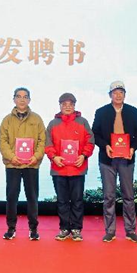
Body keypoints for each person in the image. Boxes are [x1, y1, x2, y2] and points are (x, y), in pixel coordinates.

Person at [91, 80, 137, 243]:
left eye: (121, 92)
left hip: (127, 159)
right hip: (107, 160)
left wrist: (132, 148)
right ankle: (110, 231)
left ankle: (130, 230)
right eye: (115, 93)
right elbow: (95, 134)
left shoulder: (133, 111)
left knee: (129, 196)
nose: (118, 95)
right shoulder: (101, 112)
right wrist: (105, 145)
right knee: (109, 196)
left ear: (125, 95)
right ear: (110, 95)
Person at [45, 93, 95, 241]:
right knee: (62, 201)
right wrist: (54, 157)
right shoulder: (53, 124)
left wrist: (83, 156)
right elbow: (47, 144)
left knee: (77, 200)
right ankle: (64, 228)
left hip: (77, 169)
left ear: (74, 106)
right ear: (59, 106)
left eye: (70, 104)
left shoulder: (83, 122)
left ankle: (76, 228)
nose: (67, 107)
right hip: (59, 169)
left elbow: (90, 141)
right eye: (64, 104)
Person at [0, 87, 46, 241]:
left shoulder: (37, 119)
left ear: (29, 100)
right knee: (12, 197)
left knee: (32, 197)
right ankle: (11, 228)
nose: (22, 99)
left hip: (31, 165)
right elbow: (2, 141)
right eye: (19, 96)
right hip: (12, 165)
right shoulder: (7, 120)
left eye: (25, 97)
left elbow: (43, 140)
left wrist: (36, 157)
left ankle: (33, 229)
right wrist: (11, 157)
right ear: (14, 99)